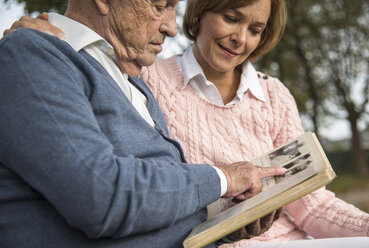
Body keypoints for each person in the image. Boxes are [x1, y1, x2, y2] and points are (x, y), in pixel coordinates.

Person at [4, 0, 369, 247]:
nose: (241, 38)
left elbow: (313, 205)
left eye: (256, 29)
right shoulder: (146, 76)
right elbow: (107, 193)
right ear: (204, 15)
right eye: (231, 17)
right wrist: (225, 179)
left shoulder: (133, 82)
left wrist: (227, 221)